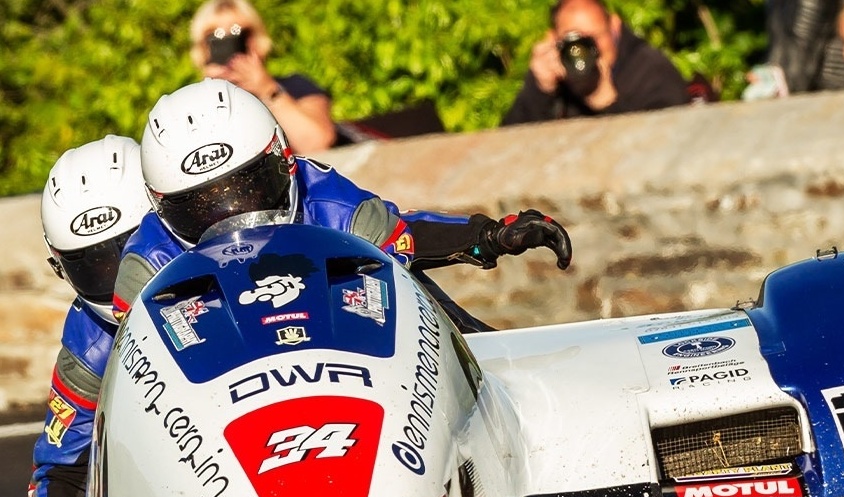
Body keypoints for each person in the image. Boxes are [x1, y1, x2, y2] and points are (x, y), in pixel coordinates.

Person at [114, 78, 572, 336]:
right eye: (200, 209)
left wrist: (487, 236)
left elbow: (402, 240)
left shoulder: (325, 195)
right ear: (159, 208)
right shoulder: (144, 263)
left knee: (424, 296)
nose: (235, 217)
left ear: (284, 162)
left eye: (249, 189)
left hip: (341, 351)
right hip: (221, 390)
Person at [29, 136, 151, 497]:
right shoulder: (90, 337)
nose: (115, 276)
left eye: (127, 253)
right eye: (92, 265)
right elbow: (59, 462)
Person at [501, 0, 691, 125]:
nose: (585, 51)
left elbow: (666, 148)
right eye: (574, 41)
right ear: (553, 39)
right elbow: (506, 151)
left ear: (614, 27)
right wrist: (539, 90)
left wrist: (606, 101)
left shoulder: (651, 70)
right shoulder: (553, 77)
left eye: (593, 38)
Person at [189, 0, 336, 153]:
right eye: (214, 37)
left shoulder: (295, 87)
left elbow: (316, 144)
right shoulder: (188, 106)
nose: (228, 45)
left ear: (256, 39)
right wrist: (212, 94)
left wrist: (268, 90)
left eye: (237, 32)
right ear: (202, 48)